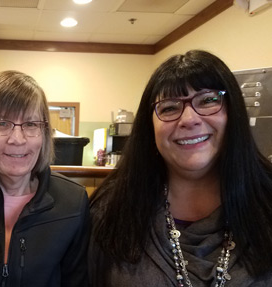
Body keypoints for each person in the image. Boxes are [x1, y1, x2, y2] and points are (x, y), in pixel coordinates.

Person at [89, 50, 272, 286]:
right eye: (169, 108)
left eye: (207, 101)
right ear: (149, 127)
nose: (188, 119)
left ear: (233, 112)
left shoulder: (266, 201)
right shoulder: (111, 209)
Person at [0, 70, 90, 287]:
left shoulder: (72, 202)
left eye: (31, 124)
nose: (17, 139)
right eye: (2, 124)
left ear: (44, 133)